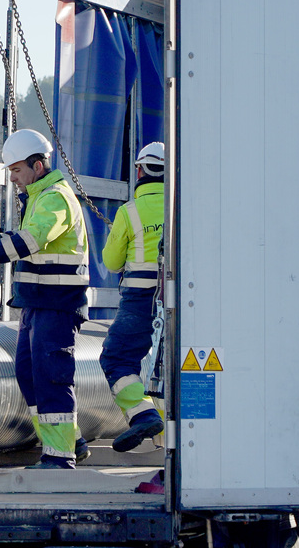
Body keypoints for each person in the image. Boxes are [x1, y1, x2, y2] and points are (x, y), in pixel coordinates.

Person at [0, 129, 89, 470]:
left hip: (57, 305)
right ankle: (67, 441)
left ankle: (60, 458)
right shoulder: (38, 197)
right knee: (29, 374)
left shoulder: (55, 198)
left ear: (37, 165)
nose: (14, 180)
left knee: (51, 376)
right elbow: (26, 236)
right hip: (38, 303)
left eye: (16, 171)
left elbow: (31, 240)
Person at [99, 142, 166, 452]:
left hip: (140, 300)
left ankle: (143, 414)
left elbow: (111, 263)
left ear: (139, 171)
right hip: (185, 297)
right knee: (176, 367)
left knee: (117, 358)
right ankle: (170, 446)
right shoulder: (186, 204)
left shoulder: (129, 212)